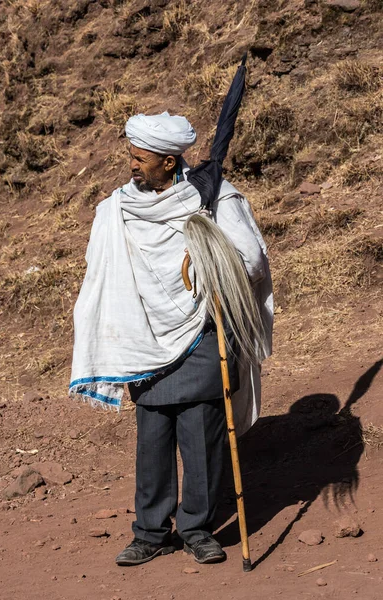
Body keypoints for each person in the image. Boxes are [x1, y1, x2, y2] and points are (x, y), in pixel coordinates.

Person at [69, 112, 273, 567]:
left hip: (202, 332)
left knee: (201, 434)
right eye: (131, 157)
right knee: (153, 438)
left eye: (141, 159)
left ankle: (198, 528)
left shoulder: (214, 197)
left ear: (167, 161)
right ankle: (150, 532)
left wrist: (216, 267)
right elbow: (103, 272)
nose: (132, 166)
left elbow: (252, 260)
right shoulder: (117, 209)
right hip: (145, 336)